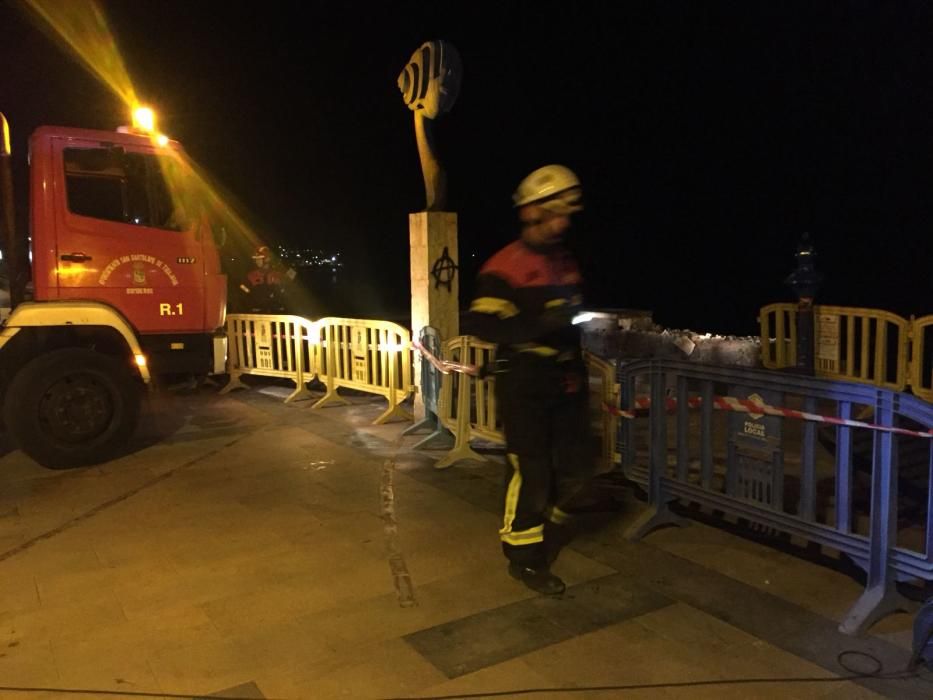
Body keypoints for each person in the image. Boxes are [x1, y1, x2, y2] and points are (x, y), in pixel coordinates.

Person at [465, 164, 592, 596]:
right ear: (532, 212)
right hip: (524, 380)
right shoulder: (505, 267)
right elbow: (483, 324)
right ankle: (525, 558)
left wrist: (573, 365)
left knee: (575, 465)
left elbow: (572, 317)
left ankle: (546, 525)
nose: (564, 223)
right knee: (531, 470)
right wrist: (539, 324)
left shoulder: (564, 260)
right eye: (556, 213)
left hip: (564, 378)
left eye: (567, 214)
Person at [240, 245, 293, 313]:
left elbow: (287, 289)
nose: (257, 261)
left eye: (259, 259)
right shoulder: (251, 275)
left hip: (276, 313)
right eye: (256, 259)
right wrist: (251, 293)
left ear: (267, 259)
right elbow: (242, 286)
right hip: (257, 312)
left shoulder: (277, 274)